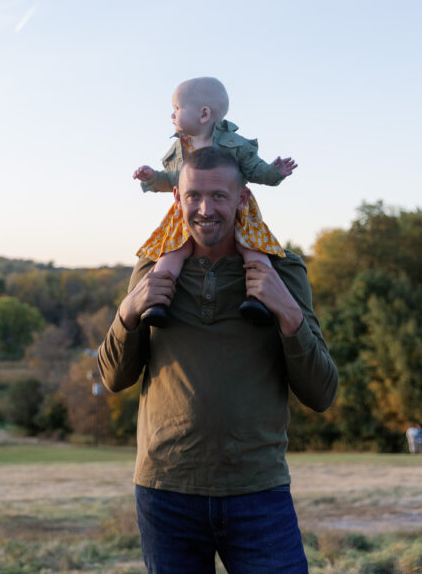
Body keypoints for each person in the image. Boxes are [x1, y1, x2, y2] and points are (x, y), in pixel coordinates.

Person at [99, 147, 338, 574]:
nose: (205, 209)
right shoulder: (153, 269)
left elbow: (321, 392)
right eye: (193, 196)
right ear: (177, 199)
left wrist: (288, 313)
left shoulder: (283, 272)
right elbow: (114, 378)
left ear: (243, 199)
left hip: (257, 491)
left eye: (219, 196)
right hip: (165, 491)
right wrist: (127, 314)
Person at [133, 77, 296, 326]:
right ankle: (157, 302)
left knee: (253, 249)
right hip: (185, 215)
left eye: (177, 108)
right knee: (172, 252)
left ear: (204, 114)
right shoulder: (180, 150)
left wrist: (275, 172)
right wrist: (153, 178)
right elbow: (172, 181)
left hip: (236, 211)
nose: (172, 115)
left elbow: (256, 170)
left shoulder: (235, 145)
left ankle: (259, 298)